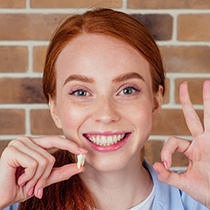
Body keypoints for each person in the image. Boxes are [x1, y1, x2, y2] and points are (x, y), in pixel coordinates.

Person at [0, 8, 210, 210]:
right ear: (54, 108)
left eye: (127, 90)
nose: (106, 114)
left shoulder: (200, 198)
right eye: (81, 93)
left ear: (155, 102)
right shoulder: (12, 203)